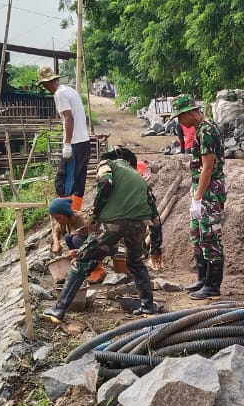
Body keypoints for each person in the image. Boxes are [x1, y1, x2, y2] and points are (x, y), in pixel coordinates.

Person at [43, 146, 163, 322]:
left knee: (81, 260)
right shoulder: (139, 178)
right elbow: (155, 217)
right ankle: (147, 306)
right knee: (135, 263)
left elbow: (106, 183)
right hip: (138, 225)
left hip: (112, 223)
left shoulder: (107, 163)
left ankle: (59, 310)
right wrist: (156, 248)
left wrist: (96, 213)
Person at [174, 95, 226, 299]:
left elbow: (208, 167)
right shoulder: (201, 129)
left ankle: (213, 286)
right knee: (197, 235)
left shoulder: (206, 131)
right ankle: (203, 279)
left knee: (210, 236)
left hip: (210, 191)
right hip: (203, 190)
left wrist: (198, 198)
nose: (180, 122)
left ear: (189, 112)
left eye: (180, 117)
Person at [41, 66, 91, 211]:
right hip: (84, 141)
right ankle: (74, 213)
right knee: (78, 181)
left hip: (75, 143)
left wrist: (67, 144)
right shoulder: (70, 90)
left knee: (64, 182)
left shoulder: (59, 94)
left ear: (47, 83)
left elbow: (69, 118)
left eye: (45, 85)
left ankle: (68, 215)